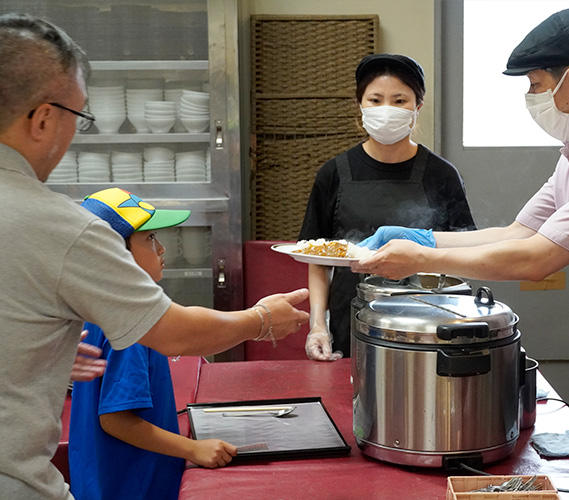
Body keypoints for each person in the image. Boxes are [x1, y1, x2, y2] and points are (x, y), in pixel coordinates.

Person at [352, 8, 569, 489]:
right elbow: (519, 232)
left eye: (535, 85)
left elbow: (538, 258)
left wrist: (421, 259)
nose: (532, 98)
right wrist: (418, 237)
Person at [0, 14, 308, 500]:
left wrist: (31, 355)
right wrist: (260, 318)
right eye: (78, 118)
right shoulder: (54, 224)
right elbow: (175, 333)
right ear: (42, 118)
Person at [300, 53, 475, 361]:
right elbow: (319, 260)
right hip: (349, 320)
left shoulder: (442, 175)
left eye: (399, 101)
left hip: (426, 324)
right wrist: (318, 325)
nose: (386, 110)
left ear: (417, 108)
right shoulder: (333, 173)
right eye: (376, 99)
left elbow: (465, 254)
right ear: (360, 105)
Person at [68, 188, 237, 500]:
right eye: (148, 239)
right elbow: (115, 420)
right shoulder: (129, 318)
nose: (161, 249)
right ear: (112, 253)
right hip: (130, 488)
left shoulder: (97, 306)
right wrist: (194, 449)